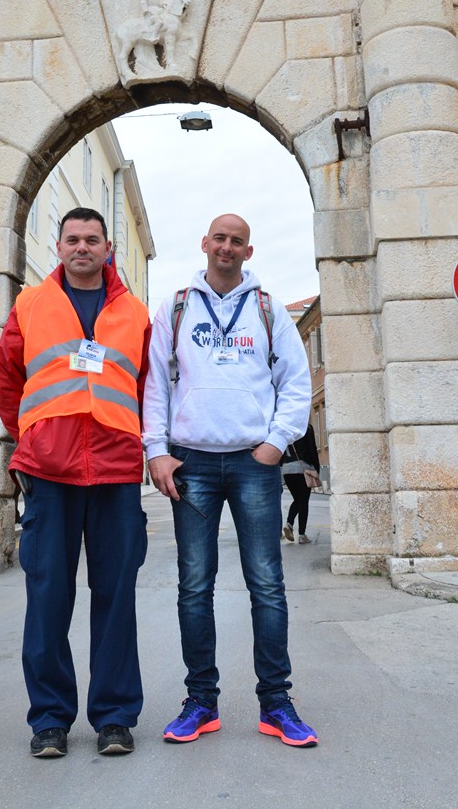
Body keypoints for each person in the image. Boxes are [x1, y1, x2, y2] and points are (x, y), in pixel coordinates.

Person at [143, 213, 318, 749]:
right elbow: (155, 385)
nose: (227, 246)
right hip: (192, 462)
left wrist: (275, 442)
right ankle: (200, 703)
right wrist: (157, 451)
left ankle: (277, 704)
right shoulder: (175, 306)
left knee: (266, 585)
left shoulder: (268, 310)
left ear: (249, 250)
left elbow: (296, 381)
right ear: (204, 244)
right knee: (194, 587)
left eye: (236, 240)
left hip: (252, 463)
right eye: (219, 237)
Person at [0, 208, 151, 760]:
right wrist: (30, 434)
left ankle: (113, 718)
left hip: (115, 471)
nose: (82, 247)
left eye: (92, 240)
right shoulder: (29, 305)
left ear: (109, 249)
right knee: (47, 599)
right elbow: (7, 378)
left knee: (115, 598)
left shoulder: (135, 313)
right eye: (72, 239)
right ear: (59, 248)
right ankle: (51, 721)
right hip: (49, 473)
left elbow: (148, 389)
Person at [282, 422, 321, 544]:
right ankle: (302, 535)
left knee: (298, 500)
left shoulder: (284, 427)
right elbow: (312, 449)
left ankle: (289, 524)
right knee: (303, 501)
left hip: (286, 470)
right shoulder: (306, 427)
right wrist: (316, 468)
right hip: (303, 468)